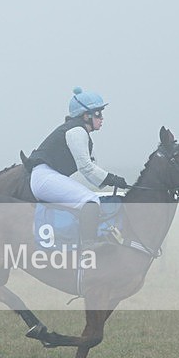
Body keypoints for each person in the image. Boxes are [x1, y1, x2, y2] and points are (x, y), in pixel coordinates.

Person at [23, 87, 129, 249]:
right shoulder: (76, 131)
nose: (102, 118)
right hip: (44, 176)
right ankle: (88, 245)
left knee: (87, 199)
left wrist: (110, 179)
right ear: (86, 116)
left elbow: (90, 168)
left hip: (46, 176)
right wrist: (112, 178)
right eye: (98, 113)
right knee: (90, 200)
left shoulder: (78, 131)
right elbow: (86, 168)